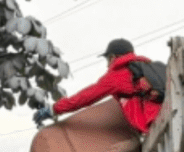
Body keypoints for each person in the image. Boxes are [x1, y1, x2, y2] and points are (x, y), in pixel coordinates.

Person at [33, 38, 163, 134]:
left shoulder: (117, 75)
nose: (107, 65)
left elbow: (85, 97)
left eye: (107, 60)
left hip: (153, 125)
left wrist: (53, 109)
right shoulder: (147, 68)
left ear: (113, 57)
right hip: (163, 115)